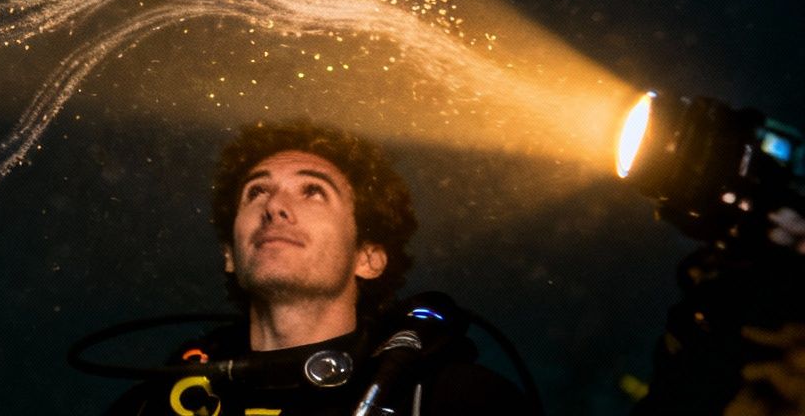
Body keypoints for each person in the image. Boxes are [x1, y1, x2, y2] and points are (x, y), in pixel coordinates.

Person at [104, 119, 529, 415]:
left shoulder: (452, 399)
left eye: (313, 191)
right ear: (230, 255)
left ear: (368, 257)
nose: (274, 207)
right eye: (256, 192)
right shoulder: (150, 406)